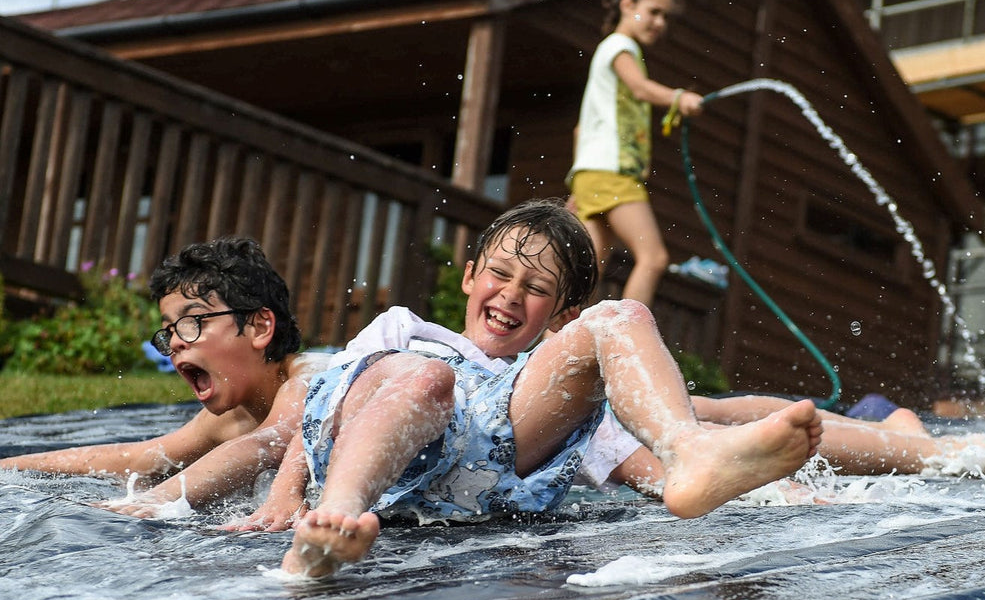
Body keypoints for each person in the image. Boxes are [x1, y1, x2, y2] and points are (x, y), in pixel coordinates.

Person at [248, 199, 823, 577]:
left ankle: (692, 447)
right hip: (376, 444)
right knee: (429, 377)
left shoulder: (534, 387)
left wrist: (774, 490)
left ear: (559, 314)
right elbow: (321, 399)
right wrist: (285, 490)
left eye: (536, 287)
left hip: (482, 461)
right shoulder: (406, 330)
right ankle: (332, 524)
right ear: (471, 275)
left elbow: (632, 465)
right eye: (499, 273)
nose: (511, 294)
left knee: (622, 315)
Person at [0, 237, 333, 512]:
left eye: (193, 322)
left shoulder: (312, 378)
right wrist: (8, 467)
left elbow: (269, 443)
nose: (174, 341)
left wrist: (154, 500)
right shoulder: (233, 416)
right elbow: (139, 459)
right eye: (168, 330)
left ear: (260, 326)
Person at [567, 0, 702, 306]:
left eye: (665, 17)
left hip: (593, 173)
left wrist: (577, 183)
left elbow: (581, 129)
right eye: (654, 11)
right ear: (628, 4)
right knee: (653, 258)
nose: (660, 22)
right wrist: (679, 97)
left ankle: (555, 343)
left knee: (589, 272)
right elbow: (641, 89)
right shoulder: (619, 45)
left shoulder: (610, 52)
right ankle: (622, 337)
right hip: (612, 173)